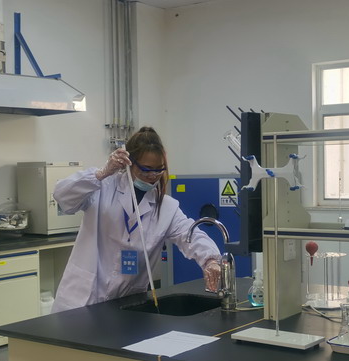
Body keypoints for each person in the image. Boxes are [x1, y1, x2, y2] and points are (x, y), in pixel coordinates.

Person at [52, 127, 222, 313]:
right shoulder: (102, 187)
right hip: (81, 299)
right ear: (129, 164)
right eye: (146, 170)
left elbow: (190, 234)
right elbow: (62, 196)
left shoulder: (166, 207)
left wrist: (210, 260)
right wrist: (101, 173)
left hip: (125, 303)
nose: (152, 176)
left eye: (158, 170)